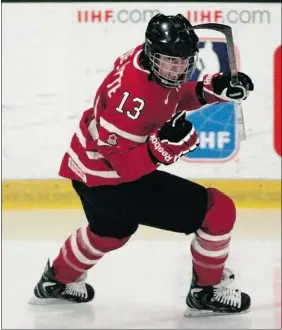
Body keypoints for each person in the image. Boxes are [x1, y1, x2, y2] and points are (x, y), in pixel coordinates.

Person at [30, 13, 254, 316]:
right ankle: (206, 291)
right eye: (170, 61)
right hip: (112, 180)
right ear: (153, 52)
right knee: (218, 209)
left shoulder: (144, 60)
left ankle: (55, 280)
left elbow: (172, 95)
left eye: (183, 61)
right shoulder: (133, 99)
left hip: (85, 167)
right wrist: (163, 148)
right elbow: (128, 168)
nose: (177, 69)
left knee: (109, 232)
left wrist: (211, 89)